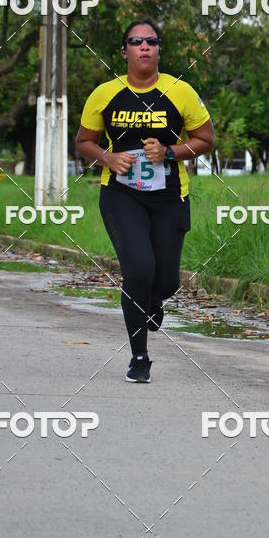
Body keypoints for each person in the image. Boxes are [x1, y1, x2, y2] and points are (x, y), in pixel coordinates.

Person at [75, 19, 214, 383]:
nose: (144, 47)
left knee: (165, 281)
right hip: (121, 195)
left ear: (158, 50)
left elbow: (205, 139)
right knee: (138, 270)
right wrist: (108, 158)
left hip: (170, 198)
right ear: (124, 52)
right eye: (136, 41)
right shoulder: (104, 94)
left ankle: (153, 301)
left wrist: (169, 152)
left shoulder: (180, 91)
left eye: (151, 41)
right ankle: (139, 357)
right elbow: (84, 141)